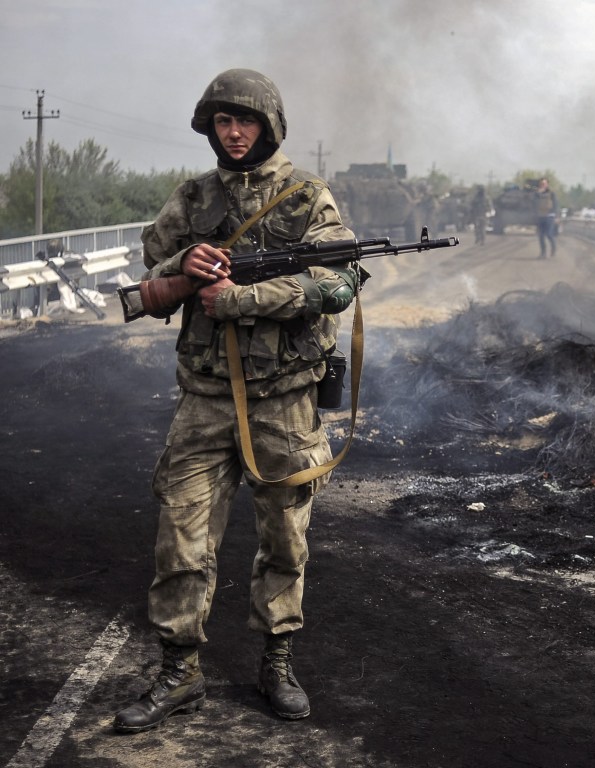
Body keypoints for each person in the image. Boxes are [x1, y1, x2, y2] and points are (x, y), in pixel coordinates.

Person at [113, 68, 365, 733]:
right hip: (204, 399)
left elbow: (338, 284)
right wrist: (184, 269)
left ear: (269, 125)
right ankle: (179, 672)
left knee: (285, 538)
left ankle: (277, 661)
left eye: (245, 120)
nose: (233, 132)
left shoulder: (308, 197)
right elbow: (151, 276)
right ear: (210, 128)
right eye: (223, 122)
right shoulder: (192, 198)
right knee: (181, 539)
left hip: (284, 401)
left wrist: (244, 298)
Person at [534, 177, 558, 258]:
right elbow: (534, 203)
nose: (542, 185)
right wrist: (537, 193)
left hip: (549, 216)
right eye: (541, 184)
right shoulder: (537, 194)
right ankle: (543, 253)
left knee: (549, 234)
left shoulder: (551, 193)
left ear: (547, 184)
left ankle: (553, 247)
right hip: (540, 216)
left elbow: (555, 204)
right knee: (541, 236)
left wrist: (556, 215)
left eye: (544, 184)